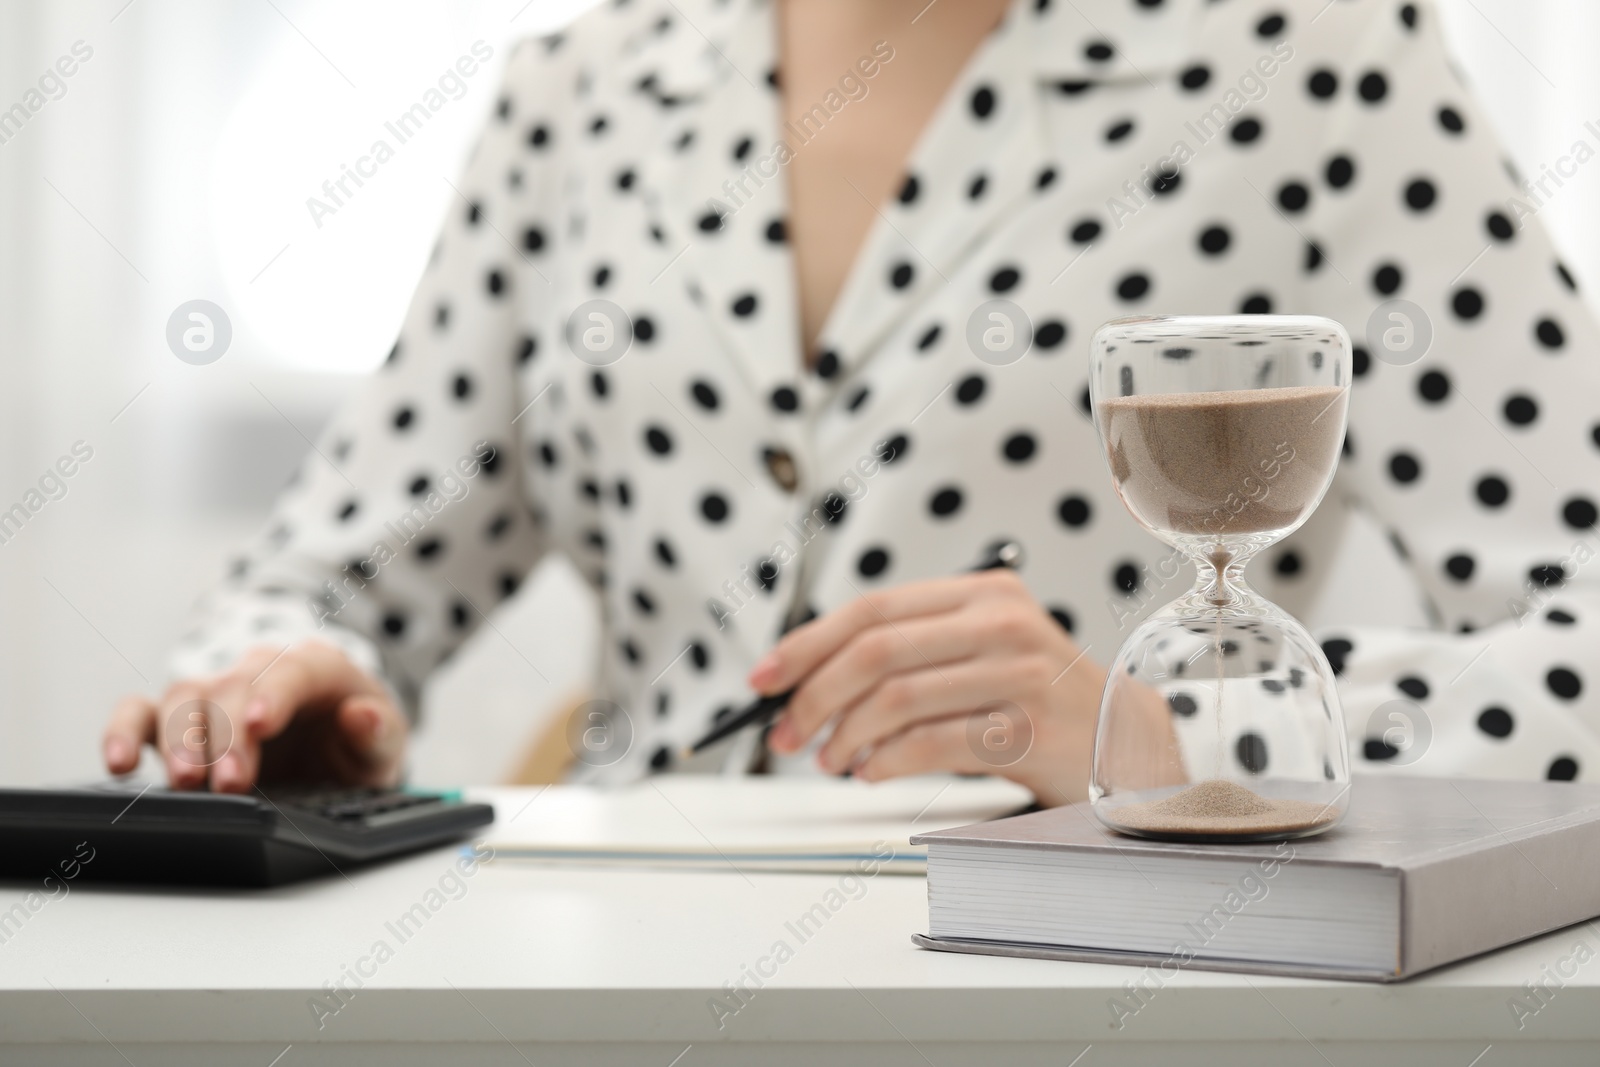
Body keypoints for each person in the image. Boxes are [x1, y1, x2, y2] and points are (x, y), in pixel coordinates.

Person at [103, 0, 1600, 803]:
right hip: (600, 989)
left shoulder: (1312, 60)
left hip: (1092, 979)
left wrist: (1166, 735)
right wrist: (277, 696)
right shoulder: (577, 91)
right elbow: (326, 575)